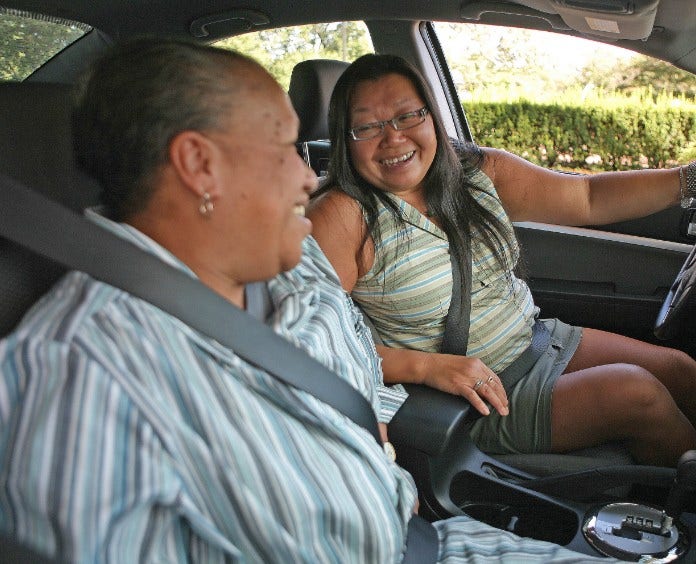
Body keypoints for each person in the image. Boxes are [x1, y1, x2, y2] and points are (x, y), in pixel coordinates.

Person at [0, 38, 619, 562]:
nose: (305, 176)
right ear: (199, 165)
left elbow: (363, 390)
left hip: (433, 539)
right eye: (282, 149)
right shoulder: (77, 376)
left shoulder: (293, 272)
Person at [307, 52, 696, 468]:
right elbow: (315, 345)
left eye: (407, 116)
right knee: (635, 393)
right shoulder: (341, 216)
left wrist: (689, 180)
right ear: (346, 139)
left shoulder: (475, 171)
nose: (393, 138)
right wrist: (426, 367)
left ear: (431, 116)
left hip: (539, 342)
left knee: (682, 370)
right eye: (367, 126)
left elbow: (588, 198)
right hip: (476, 398)